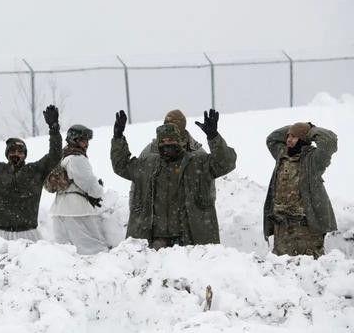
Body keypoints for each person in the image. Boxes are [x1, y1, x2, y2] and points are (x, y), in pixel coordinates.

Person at [111, 109, 236, 248]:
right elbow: (123, 167)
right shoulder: (149, 159)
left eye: (172, 136)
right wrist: (118, 138)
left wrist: (213, 136)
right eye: (164, 139)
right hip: (156, 237)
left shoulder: (196, 159)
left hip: (191, 234)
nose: (167, 144)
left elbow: (224, 163)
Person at [0, 96, 62, 241]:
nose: (16, 154)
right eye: (12, 151)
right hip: (2, 236)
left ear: (25, 155)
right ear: (7, 154)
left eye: (20, 152)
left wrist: (54, 130)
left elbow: (55, 155)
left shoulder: (35, 170)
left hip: (29, 234)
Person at [263, 122, 338, 258]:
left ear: (303, 140)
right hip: (282, 230)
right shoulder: (282, 155)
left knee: (307, 272)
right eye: (288, 136)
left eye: (294, 137)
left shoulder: (313, 160)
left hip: (306, 231)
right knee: (281, 273)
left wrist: (309, 131)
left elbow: (329, 142)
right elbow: (272, 139)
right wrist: (295, 127)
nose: (289, 140)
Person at [49, 124, 108, 254]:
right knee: (93, 250)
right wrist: (98, 191)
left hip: (60, 210)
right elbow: (90, 185)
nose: (86, 144)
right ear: (73, 140)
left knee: (65, 253)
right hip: (77, 210)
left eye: (87, 140)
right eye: (82, 140)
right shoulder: (77, 159)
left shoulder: (63, 156)